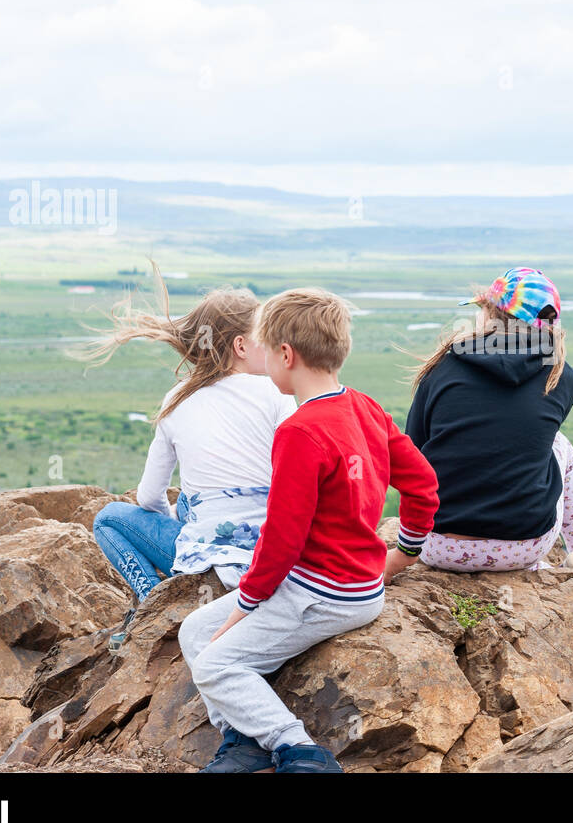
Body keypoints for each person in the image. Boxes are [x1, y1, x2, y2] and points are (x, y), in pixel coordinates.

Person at [178, 288, 439, 773]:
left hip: (320, 592)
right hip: (358, 584)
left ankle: (299, 751)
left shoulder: (299, 432)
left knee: (214, 662)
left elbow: (282, 540)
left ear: (285, 354)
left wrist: (247, 604)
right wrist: (406, 551)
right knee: (194, 631)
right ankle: (244, 737)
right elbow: (423, 482)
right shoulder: (364, 407)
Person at [390, 266, 573, 596]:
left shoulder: (443, 368)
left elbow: (414, 454)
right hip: (522, 547)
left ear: (489, 314)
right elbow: (526, 444)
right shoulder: (559, 375)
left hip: (434, 546)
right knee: (559, 445)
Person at [75, 271, 296, 643]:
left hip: (205, 559)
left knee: (109, 519)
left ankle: (153, 602)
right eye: (266, 338)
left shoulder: (177, 399)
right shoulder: (278, 395)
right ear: (241, 346)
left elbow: (147, 497)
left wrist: (179, 524)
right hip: (271, 557)